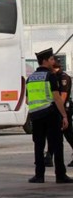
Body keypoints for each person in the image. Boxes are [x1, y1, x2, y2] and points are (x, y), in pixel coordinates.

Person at [27, 48, 73, 183]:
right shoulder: (50, 76)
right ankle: (60, 175)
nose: (54, 62)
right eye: (52, 59)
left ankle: (39, 175)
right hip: (51, 114)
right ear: (45, 61)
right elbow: (57, 98)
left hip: (36, 116)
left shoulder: (30, 78)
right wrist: (64, 115)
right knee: (57, 145)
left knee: (39, 145)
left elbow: (27, 99)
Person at [44, 59, 73, 167]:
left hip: (64, 110)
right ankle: (49, 157)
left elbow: (63, 96)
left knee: (68, 134)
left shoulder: (63, 77)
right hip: (54, 110)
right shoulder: (52, 76)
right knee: (53, 134)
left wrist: (59, 109)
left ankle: (49, 157)